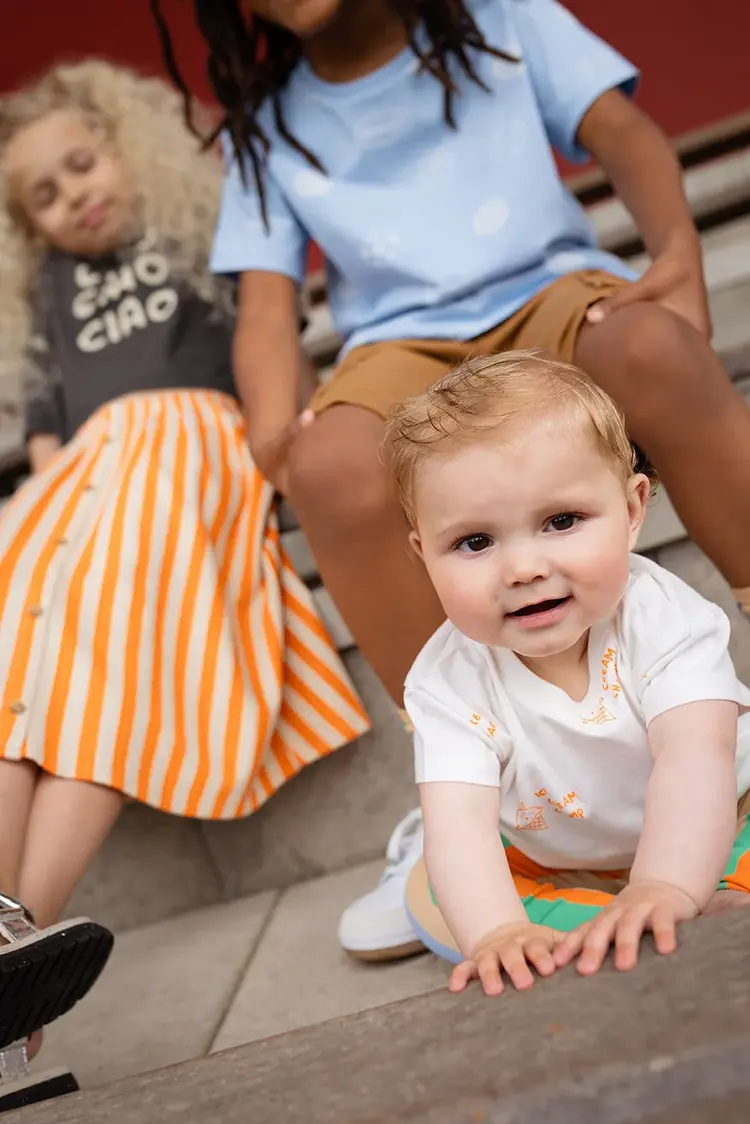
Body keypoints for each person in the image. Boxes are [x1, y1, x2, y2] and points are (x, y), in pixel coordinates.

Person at [153, 0, 750, 961]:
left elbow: (627, 135)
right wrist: (273, 437)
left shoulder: (504, 17)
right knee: (331, 464)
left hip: (550, 293)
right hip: (402, 348)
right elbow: (266, 309)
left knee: (653, 347)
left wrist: (677, 254)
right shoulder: (267, 128)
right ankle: (464, 789)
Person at [0, 57, 369, 1047]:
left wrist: (290, 448)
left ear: (131, 149)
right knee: (16, 672)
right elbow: (49, 442)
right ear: (27, 227)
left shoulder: (200, 235)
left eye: (82, 164)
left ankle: (18, 932)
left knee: (109, 675)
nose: (72, 195)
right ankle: (3, 936)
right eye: (44, 195)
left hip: (189, 450)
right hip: (84, 485)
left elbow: (273, 350)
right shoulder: (50, 295)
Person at [389, 351, 750, 994]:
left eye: (561, 522)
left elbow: (695, 757)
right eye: (475, 542)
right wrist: (497, 932)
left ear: (632, 510)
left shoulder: (662, 618)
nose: (523, 569)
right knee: (438, 889)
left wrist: (663, 884)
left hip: (726, 816)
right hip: (568, 865)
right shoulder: (446, 682)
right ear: (424, 554)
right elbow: (460, 821)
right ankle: (612, 923)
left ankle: (689, 896)